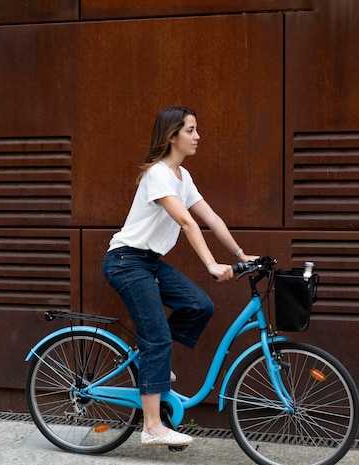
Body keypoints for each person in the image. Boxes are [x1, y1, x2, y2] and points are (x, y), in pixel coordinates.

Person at [102, 106, 257, 447]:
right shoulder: (157, 174)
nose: (197, 136)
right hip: (126, 262)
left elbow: (211, 219)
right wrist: (212, 265)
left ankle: (151, 362)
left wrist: (240, 255)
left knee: (199, 305)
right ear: (173, 136)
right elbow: (187, 222)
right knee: (157, 340)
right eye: (191, 130)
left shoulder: (182, 177)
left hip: (149, 262)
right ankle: (152, 427)